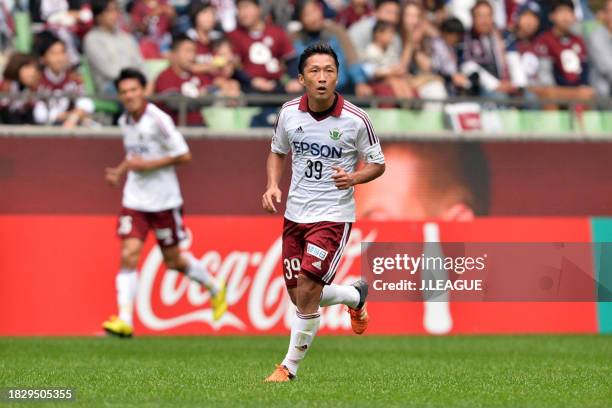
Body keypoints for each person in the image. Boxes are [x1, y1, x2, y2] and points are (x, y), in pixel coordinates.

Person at [261, 42, 385, 382]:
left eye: (329, 71)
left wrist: (354, 177)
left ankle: (288, 368)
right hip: (295, 214)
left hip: (333, 216)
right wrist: (273, 185)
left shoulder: (357, 120)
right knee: (298, 293)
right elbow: (277, 151)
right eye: (314, 71)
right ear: (302, 78)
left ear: (337, 77)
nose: (322, 77)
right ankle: (353, 295)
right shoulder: (288, 113)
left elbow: (378, 163)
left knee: (309, 289)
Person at [102, 68, 227, 338]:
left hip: (164, 202)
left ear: (144, 90)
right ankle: (124, 320)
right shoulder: (126, 120)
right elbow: (135, 155)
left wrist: (147, 165)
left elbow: (184, 155)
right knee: (128, 254)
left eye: (134, 90)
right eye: (124, 92)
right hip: (134, 200)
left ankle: (215, 287)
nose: (129, 96)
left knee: (173, 261)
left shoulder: (158, 120)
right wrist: (120, 171)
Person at [227, 0, 301, 94]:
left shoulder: (276, 32)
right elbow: (234, 66)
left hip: (277, 86)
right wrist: (252, 81)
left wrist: (294, 79)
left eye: (246, 7)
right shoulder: (233, 36)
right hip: (248, 88)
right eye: (239, 9)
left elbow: (290, 60)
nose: (243, 13)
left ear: (259, 9)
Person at [531, 0, 594, 105]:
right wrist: (573, 93)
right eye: (561, 12)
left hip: (578, 92)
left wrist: (582, 88)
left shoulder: (579, 40)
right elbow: (546, 79)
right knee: (548, 95)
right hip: (555, 92)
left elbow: (585, 72)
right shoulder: (544, 40)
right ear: (551, 16)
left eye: (569, 12)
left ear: (574, 16)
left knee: (589, 93)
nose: (565, 17)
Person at [33, 31, 95, 127]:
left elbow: (87, 104)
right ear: (43, 58)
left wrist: (74, 116)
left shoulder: (74, 79)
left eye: (62, 52)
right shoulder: (36, 80)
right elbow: (39, 116)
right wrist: (67, 116)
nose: (59, 58)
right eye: (53, 53)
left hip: (71, 126)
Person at [84, 0, 144, 94]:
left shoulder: (126, 37)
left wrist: (144, 81)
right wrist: (133, 82)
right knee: (133, 92)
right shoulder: (92, 39)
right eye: (109, 11)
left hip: (135, 83)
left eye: (116, 10)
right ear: (98, 16)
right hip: (110, 87)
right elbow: (110, 71)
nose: (115, 14)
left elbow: (140, 63)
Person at [154, 34, 210, 126]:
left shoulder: (196, 74)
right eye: (188, 51)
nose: (192, 55)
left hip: (200, 129)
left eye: (194, 51)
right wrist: (200, 98)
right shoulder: (165, 76)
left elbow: (212, 94)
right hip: (176, 131)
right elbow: (174, 103)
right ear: (174, 54)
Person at [0, 53, 41, 124]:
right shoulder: (4, 87)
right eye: (27, 67)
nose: (32, 72)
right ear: (16, 67)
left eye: (34, 67)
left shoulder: (32, 89)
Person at [588, 0, 612, 97]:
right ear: (604, 14)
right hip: (603, 95)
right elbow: (609, 68)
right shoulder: (596, 36)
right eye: (610, 11)